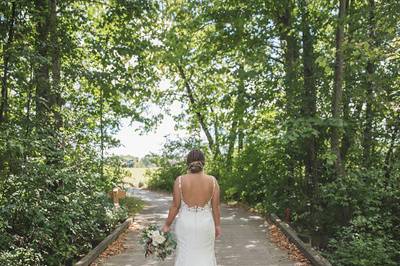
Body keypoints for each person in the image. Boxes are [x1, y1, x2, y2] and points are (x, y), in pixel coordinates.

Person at [162, 149, 221, 266]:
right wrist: (218, 225)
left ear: (188, 163)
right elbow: (216, 207)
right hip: (206, 224)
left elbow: (175, 206)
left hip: (185, 224)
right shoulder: (212, 181)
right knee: (206, 255)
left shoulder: (180, 180)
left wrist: (167, 224)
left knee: (185, 255)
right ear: (203, 162)